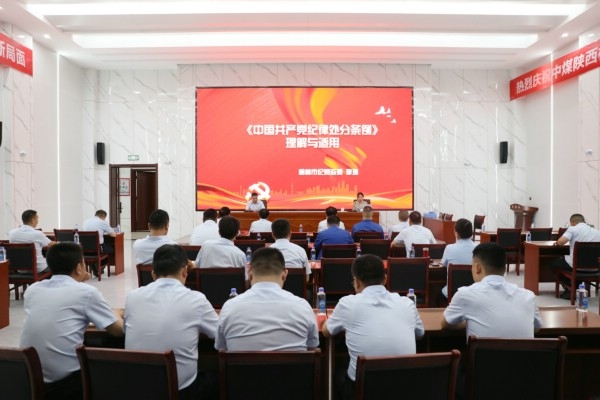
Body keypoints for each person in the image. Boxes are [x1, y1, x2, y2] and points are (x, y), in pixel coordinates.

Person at [20, 242, 124, 400]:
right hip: (64, 384)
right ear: (79, 267)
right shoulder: (87, 293)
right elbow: (118, 330)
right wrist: (116, 313)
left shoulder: (33, 290)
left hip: (29, 379)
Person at [323, 254, 424, 400]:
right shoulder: (407, 303)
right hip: (404, 388)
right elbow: (420, 334)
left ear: (356, 282)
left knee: (337, 373)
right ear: (385, 279)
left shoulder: (347, 304)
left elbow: (326, 331)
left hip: (363, 389)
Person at [125, 244, 219, 400]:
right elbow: (220, 335)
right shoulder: (196, 300)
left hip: (138, 390)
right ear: (185, 272)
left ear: (153, 274)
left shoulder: (132, 297)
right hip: (180, 392)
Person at [215, 247, 318, 351]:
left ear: (250, 274)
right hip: (293, 363)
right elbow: (312, 346)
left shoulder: (229, 307)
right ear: (284, 275)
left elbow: (221, 347)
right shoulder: (303, 307)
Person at [441, 242, 542, 338]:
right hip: (523, 351)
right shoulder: (528, 296)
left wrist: (467, 322)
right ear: (504, 267)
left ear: (477, 268)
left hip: (482, 352)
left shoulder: (465, 295)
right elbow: (536, 328)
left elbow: (445, 324)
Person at [552, 213, 600, 299]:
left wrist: (556, 243)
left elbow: (560, 242)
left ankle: (571, 288)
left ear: (573, 222)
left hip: (576, 266)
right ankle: (577, 287)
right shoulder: (597, 232)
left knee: (554, 264)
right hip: (595, 268)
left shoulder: (573, 229)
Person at [439, 218, 476, 302]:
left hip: (453, 294)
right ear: (471, 232)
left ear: (456, 233)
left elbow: (443, 264)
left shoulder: (449, 248)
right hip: (473, 294)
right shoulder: (478, 248)